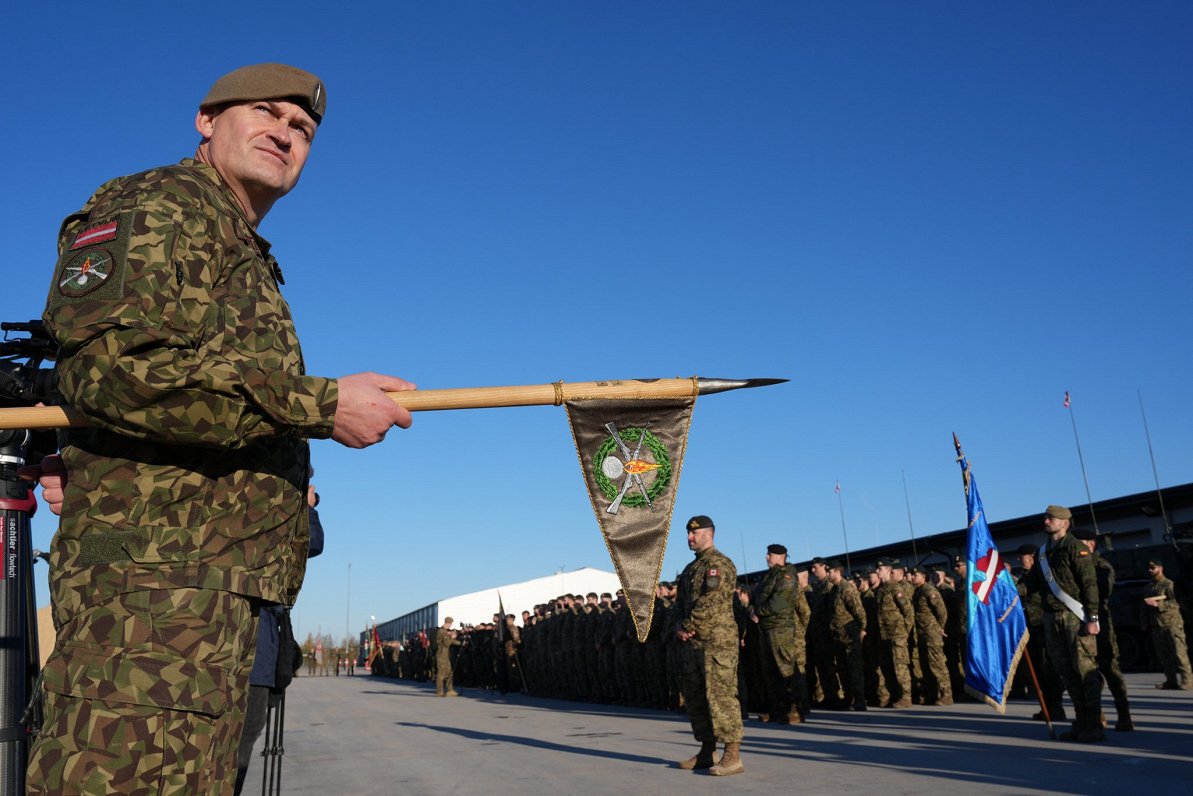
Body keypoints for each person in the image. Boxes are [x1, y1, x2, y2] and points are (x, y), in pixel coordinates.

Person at [27, 63, 415, 794]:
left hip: (203, 596)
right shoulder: (160, 204)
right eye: (265, 113)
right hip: (150, 603)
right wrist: (317, 405)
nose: (285, 133)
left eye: (302, 129)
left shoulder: (239, 245)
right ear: (206, 121)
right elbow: (115, 369)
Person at [234, 484, 325, 795]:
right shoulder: (255, 514)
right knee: (241, 741)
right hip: (251, 652)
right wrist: (306, 507)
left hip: (253, 649)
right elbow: (310, 544)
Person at [1023, 505, 1104, 743]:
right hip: (1051, 618)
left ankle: (1095, 724)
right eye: (1046, 518)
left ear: (1065, 523)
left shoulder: (1075, 549)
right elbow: (1033, 583)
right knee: (1066, 673)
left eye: (1052, 518)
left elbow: (1089, 585)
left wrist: (1093, 618)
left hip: (1074, 616)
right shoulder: (1043, 552)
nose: (1046, 521)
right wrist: (1008, 593)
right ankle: (1080, 722)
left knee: (1085, 672)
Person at [673, 515, 744, 776]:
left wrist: (688, 626)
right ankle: (707, 751)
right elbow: (680, 605)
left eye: (695, 533)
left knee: (721, 696)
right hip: (693, 644)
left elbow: (711, 601)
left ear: (709, 534)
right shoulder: (691, 569)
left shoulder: (718, 564)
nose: (690, 538)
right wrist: (677, 626)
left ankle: (732, 755)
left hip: (717, 642)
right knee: (696, 698)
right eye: (688, 534)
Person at [1072, 527, 1133, 729]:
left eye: (1081, 542)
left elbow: (1102, 591)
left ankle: (1124, 715)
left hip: (1101, 623)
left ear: (1091, 544)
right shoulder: (1074, 565)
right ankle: (1096, 715)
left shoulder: (1101, 566)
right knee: (1087, 672)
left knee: (1110, 669)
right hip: (1080, 623)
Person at [751, 543, 807, 724]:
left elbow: (778, 602)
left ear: (780, 557)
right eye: (767, 554)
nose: (767, 557)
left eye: (770, 555)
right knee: (771, 672)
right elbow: (754, 599)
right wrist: (752, 610)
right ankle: (777, 709)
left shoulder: (787, 576)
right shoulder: (768, 577)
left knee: (786, 670)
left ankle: (795, 710)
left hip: (781, 629)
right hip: (766, 629)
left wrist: (758, 612)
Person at [1141, 559, 1193, 690]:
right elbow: (1144, 607)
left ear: (1160, 568)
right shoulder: (1148, 588)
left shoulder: (1169, 585)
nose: (1150, 570)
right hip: (1156, 626)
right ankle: (1171, 680)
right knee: (1164, 656)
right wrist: (1144, 622)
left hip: (1172, 624)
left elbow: (1176, 603)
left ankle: (1188, 680)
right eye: (1149, 568)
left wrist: (1159, 605)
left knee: (1179, 653)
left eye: (1153, 568)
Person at [435, 617, 462, 696]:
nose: (451, 625)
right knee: (441, 673)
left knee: (449, 672)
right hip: (441, 654)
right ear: (448, 623)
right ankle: (439, 691)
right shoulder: (441, 631)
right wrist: (452, 637)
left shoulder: (445, 631)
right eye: (450, 624)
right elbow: (447, 643)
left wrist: (461, 643)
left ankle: (450, 690)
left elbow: (451, 641)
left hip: (446, 655)